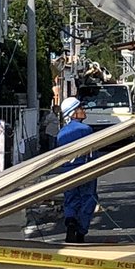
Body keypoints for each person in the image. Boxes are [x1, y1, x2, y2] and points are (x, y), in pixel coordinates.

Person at [55, 96, 99, 243]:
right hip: (85, 169)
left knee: (71, 198)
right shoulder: (86, 129)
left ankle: (70, 221)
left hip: (67, 171)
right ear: (73, 113)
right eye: (80, 108)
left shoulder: (61, 133)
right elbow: (92, 153)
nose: (84, 110)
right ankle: (81, 232)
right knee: (88, 199)